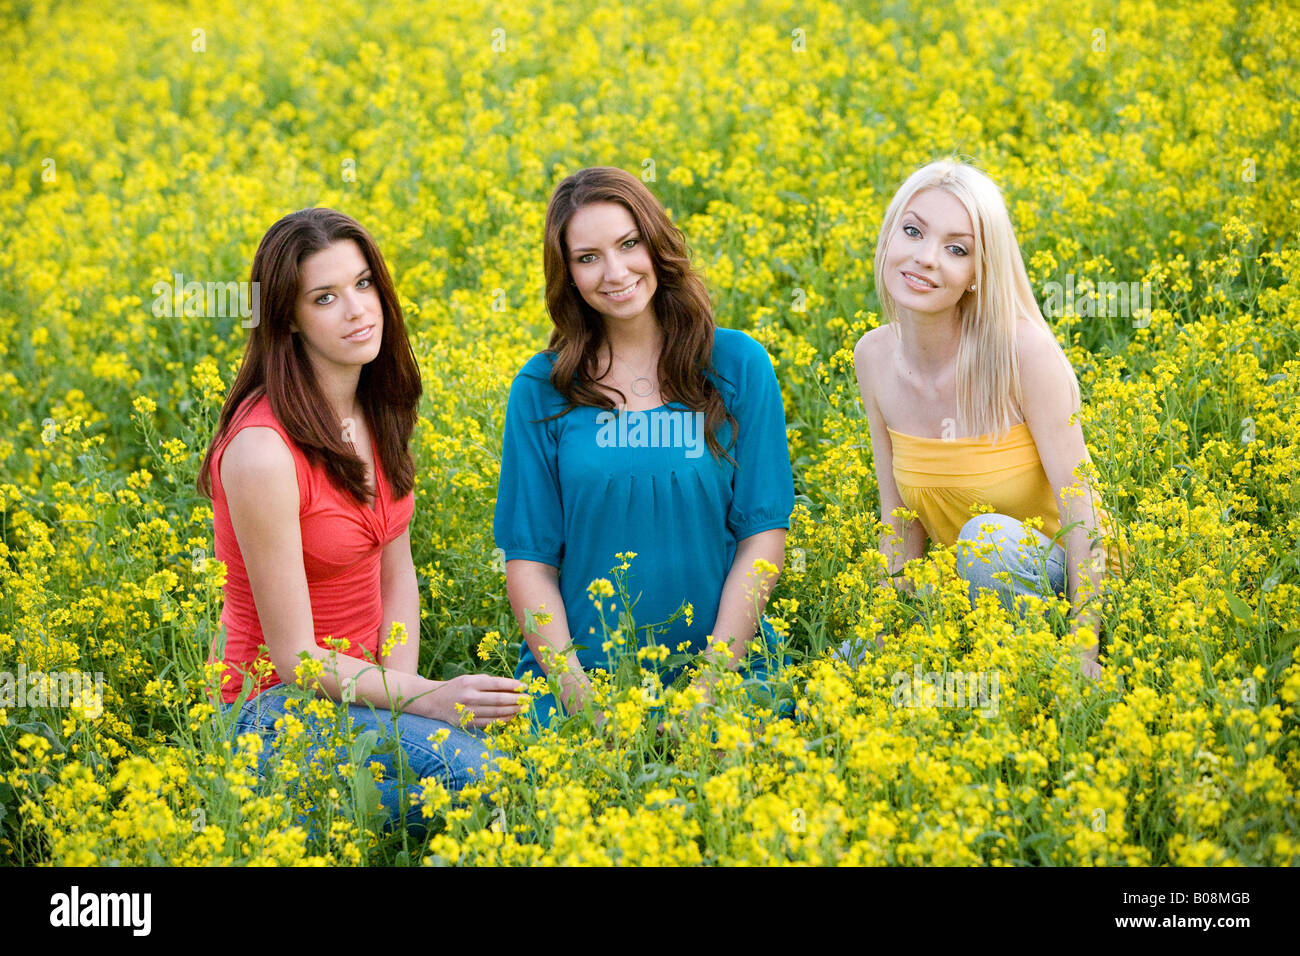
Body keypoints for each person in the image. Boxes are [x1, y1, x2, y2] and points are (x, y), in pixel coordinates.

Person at [197, 208, 524, 832]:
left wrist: (405, 700)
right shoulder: (263, 452)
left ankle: (317, 816)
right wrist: (428, 700)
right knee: (483, 779)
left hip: (366, 688)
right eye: (326, 297)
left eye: (364, 283)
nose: (357, 309)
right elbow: (296, 659)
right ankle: (251, 815)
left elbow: (396, 573)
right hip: (276, 705)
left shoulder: (377, 408)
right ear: (289, 318)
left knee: (513, 754)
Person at [494, 166, 795, 727]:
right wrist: (580, 699)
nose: (615, 272)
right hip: (577, 685)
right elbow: (530, 563)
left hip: (725, 673)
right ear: (569, 277)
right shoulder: (541, 389)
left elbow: (762, 540)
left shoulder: (737, 366)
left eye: (629, 244)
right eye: (588, 258)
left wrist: (710, 685)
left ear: (657, 244)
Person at [850, 160, 1122, 678]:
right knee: (844, 670)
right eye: (912, 231)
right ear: (888, 237)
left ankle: (1040, 671)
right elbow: (898, 516)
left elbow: (1082, 510)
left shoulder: (1023, 352)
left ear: (979, 273)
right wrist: (887, 631)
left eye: (957, 249)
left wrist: (1083, 650)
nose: (926, 258)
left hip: (1067, 582)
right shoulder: (874, 357)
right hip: (965, 595)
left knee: (986, 541)